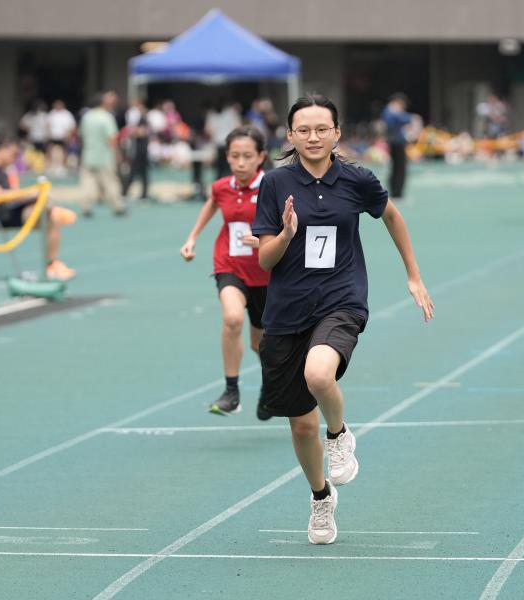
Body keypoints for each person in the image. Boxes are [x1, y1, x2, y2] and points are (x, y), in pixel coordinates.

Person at [253, 94, 434, 545]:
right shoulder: (275, 184)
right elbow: (264, 260)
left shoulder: (357, 180)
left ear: (337, 133)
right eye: (304, 130)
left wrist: (413, 275)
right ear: (290, 135)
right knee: (300, 425)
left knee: (319, 374)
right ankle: (320, 498)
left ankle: (340, 434)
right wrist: (287, 234)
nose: (313, 137)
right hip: (286, 309)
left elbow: (391, 216)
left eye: (322, 129)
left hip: (341, 300)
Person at [180, 126, 272, 417]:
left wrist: (265, 241)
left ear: (261, 157)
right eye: (235, 156)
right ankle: (231, 391)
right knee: (232, 318)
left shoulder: (274, 187)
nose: (241, 163)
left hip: (267, 272)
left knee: (262, 343)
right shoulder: (222, 187)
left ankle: (270, 388)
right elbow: (212, 205)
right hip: (229, 265)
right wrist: (192, 237)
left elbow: (290, 225)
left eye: (247, 156)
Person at [0, 138, 77, 281]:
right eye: (13, 154)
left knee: (53, 216)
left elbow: (12, 193)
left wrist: (27, 196)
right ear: (2, 149)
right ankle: (53, 209)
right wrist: (25, 194)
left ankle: (52, 264)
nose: (14, 159)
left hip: (15, 209)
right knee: (47, 211)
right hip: (4, 216)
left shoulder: (3, 170)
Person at [79, 91, 126, 217]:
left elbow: (82, 136)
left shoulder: (86, 117)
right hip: (104, 155)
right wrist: (118, 153)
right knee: (110, 181)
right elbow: (112, 138)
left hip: (88, 154)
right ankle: (118, 206)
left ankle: (86, 206)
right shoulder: (106, 117)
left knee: (87, 182)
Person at [380, 93, 421, 201]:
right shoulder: (390, 111)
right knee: (399, 168)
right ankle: (397, 193)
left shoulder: (391, 111)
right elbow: (403, 119)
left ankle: (397, 192)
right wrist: (411, 117)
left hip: (397, 142)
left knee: (398, 168)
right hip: (396, 143)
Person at [121, 98, 150, 201]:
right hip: (135, 148)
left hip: (142, 149)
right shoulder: (133, 115)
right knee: (132, 172)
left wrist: (133, 131)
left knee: (143, 173)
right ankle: (125, 192)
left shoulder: (144, 117)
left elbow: (143, 132)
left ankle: (144, 194)